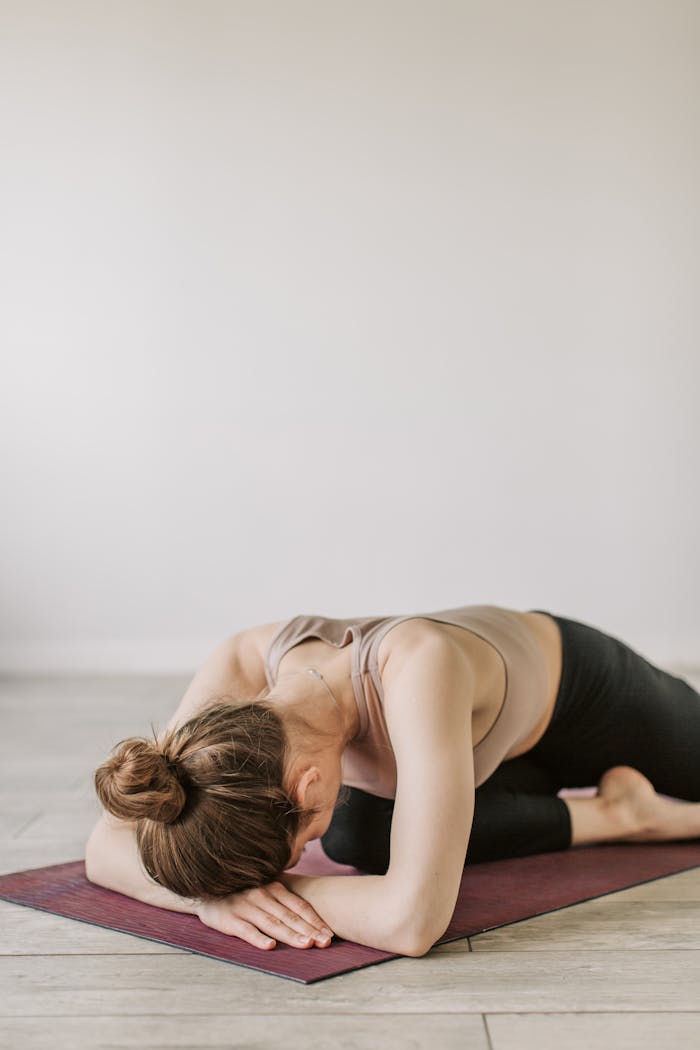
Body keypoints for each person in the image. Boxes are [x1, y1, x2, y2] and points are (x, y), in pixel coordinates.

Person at [85, 604, 700, 958]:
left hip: (589, 696)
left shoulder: (417, 665)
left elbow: (411, 922)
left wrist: (263, 894)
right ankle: (622, 814)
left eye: (296, 851)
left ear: (306, 786)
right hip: (496, 754)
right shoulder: (227, 717)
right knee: (358, 839)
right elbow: (103, 849)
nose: (301, 863)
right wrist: (213, 899)